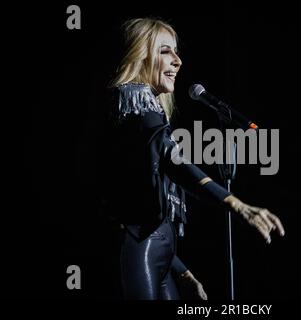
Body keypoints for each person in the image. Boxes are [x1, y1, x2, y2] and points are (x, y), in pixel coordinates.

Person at [107, 17, 285, 300]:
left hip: (164, 261)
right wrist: (235, 204)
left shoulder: (149, 114)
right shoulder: (133, 102)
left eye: (176, 51)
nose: (177, 61)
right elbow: (172, 161)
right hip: (138, 253)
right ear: (140, 56)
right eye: (165, 51)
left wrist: (182, 272)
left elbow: (157, 215)